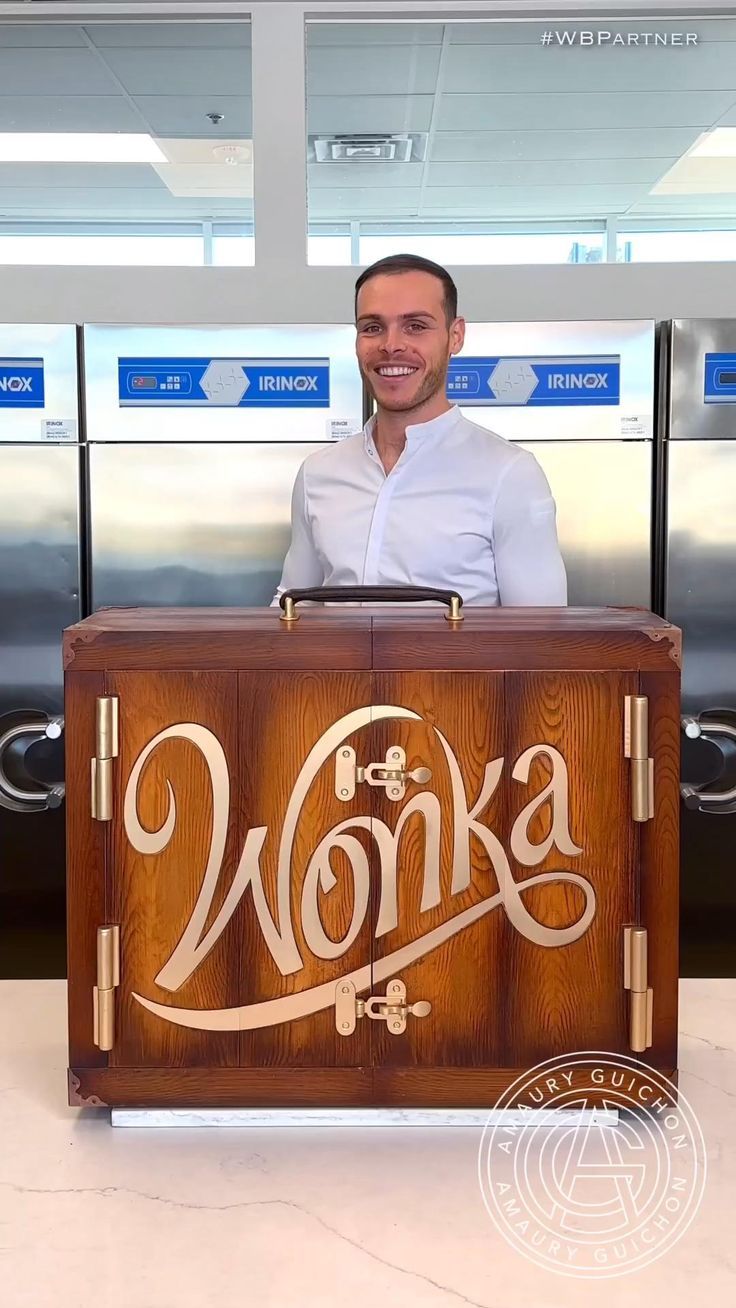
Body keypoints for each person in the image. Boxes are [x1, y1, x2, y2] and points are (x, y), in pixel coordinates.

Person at [272, 253, 567, 606]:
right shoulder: (318, 472)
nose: (391, 345)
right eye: (372, 327)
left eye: (415, 326)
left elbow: (540, 635)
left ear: (455, 336)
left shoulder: (510, 474)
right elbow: (292, 606)